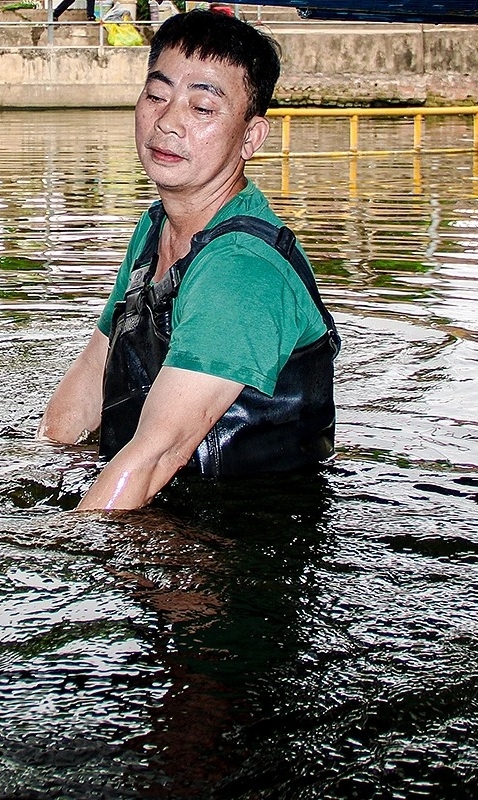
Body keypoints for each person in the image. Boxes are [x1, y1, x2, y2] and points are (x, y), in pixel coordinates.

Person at [38, 9, 340, 511]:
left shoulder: (242, 271)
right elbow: (96, 365)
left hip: (238, 530)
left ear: (251, 137)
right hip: (159, 497)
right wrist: (42, 459)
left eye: (202, 108)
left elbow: (159, 454)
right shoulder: (157, 224)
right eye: (157, 96)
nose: (167, 122)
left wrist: (59, 549)